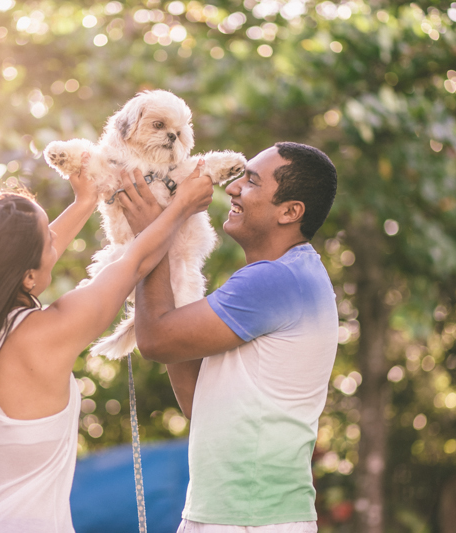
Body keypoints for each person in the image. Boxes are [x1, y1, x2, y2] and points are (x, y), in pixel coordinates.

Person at [0, 155, 214, 532]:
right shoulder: (44, 334)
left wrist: (84, 203)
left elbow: (21, 261)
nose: (55, 240)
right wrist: (182, 204)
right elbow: (136, 261)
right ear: (28, 276)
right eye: (48, 238)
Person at [120, 142, 339, 532]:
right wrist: (164, 243)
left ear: (290, 212)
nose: (233, 188)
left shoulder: (276, 280)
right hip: (225, 514)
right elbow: (196, 403)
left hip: (251, 520)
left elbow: (153, 339)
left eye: (251, 182)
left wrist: (155, 231)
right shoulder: (282, 278)